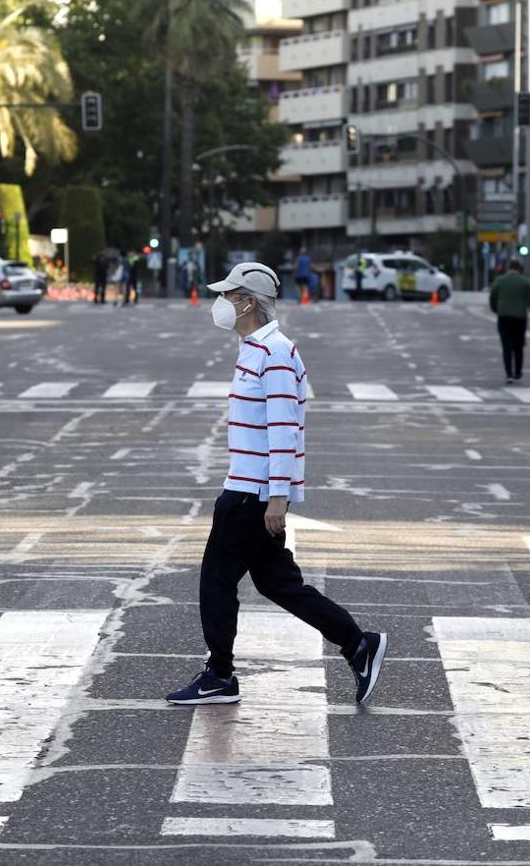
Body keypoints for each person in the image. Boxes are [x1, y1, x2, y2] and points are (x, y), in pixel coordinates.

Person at [166, 262, 388, 707]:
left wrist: (279, 497)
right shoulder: (255, 348)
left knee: (216, 581)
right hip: (251, 488)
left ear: (248, 303)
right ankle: (357, 644)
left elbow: (284, 427)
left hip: (252, 493)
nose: (221, 303)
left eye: (229, 296)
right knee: (277, 584)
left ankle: (220, 675)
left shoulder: (275, 353)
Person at [489, 259, 530, 384]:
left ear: (508, 267)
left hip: (504, 316)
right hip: (520, 317)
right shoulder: (525, 282)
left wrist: (496, 309)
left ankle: (509, 374)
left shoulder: (500, 281)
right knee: (518, 345)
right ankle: (518, 371)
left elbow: (493, 297)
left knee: (506, 345)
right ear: (520, 269)